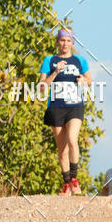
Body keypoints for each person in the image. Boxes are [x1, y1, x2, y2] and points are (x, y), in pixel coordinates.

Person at [39, 28, 91, 195]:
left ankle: (75, 180)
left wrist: (84, 80)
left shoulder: (79, 60)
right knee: (62, 149)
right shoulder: (49, 60)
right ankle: (67, 183)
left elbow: (89, 80)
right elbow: (42, 86)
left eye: (68, 41)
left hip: (75, 105)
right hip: (56, 106)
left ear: (73, 43)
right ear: (57, 42)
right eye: (62, 40)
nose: (65, 44)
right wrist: (55, 71)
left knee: (72, 140)